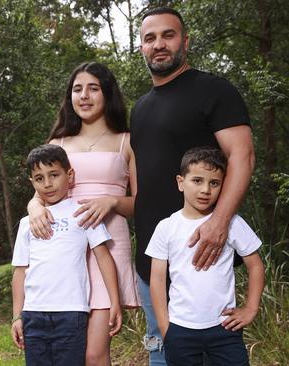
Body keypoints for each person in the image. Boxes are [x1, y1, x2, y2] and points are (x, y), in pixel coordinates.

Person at [131, 7, 256, 364]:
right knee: (160, 349)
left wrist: (218, 225)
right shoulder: (140, 108)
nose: (159, 44)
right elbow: (144, 186)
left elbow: (243, 157)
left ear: (185, 41)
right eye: (149, 38)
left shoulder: (213, 90)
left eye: (168, 35)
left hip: (202, 256)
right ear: (141, 47)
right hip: (153, 260)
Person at [27, 62, 140, 365]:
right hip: (66, 252)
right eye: (78, 89)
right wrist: (33, 207)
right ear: (70, 97)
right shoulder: (58, 143)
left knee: (94, 352)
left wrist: (113, 202)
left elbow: (141, 204)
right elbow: (39, 193)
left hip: (108, 247)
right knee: (70, 352)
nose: (84, 96)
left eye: (93, 88)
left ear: (107, 94)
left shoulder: (127, 141)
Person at [146, 147, 265, 366]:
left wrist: (250, 308)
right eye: (197, 181)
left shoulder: (231, 223)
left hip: (224, 327)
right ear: (181, 182)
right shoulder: (166, 227)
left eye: (214, 183)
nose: (205, 190)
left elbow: (255, 265)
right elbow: (157, 279)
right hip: (180, 328)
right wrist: (165, 327)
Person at [10, 144, 123, 366]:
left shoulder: (82, 213)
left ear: (69, 176)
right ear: (32, 183)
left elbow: (103, 257)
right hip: (34, 313)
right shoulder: (27, 223)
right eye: (39, 178)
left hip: (71, 314)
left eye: (54, 175)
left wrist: (114, 302)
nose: (48, 184)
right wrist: (17, 315)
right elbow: (20, 271)